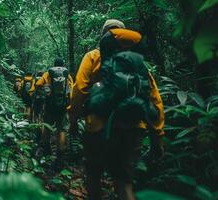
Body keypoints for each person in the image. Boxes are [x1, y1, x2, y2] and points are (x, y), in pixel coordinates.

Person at [68, 19, 165, 200]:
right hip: (134, 127)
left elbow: (79, 89)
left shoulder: (93, 56)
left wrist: (73, 121)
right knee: (124, 182)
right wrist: (157, 137)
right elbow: (154, 99)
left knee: (93, 175)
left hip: (98, 127)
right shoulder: (137, 62)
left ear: (104, 36)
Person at [36, 58, 74, 168]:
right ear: (63, 64)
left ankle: (46, 148)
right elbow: (72, 88)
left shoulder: (48, 73)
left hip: (49, 105)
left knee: (47, 126)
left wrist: (45, 92)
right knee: (61, 129)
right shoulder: (67, 74)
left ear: (54, 65)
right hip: (63, 106)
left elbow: (38, 84)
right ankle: (60, 156)